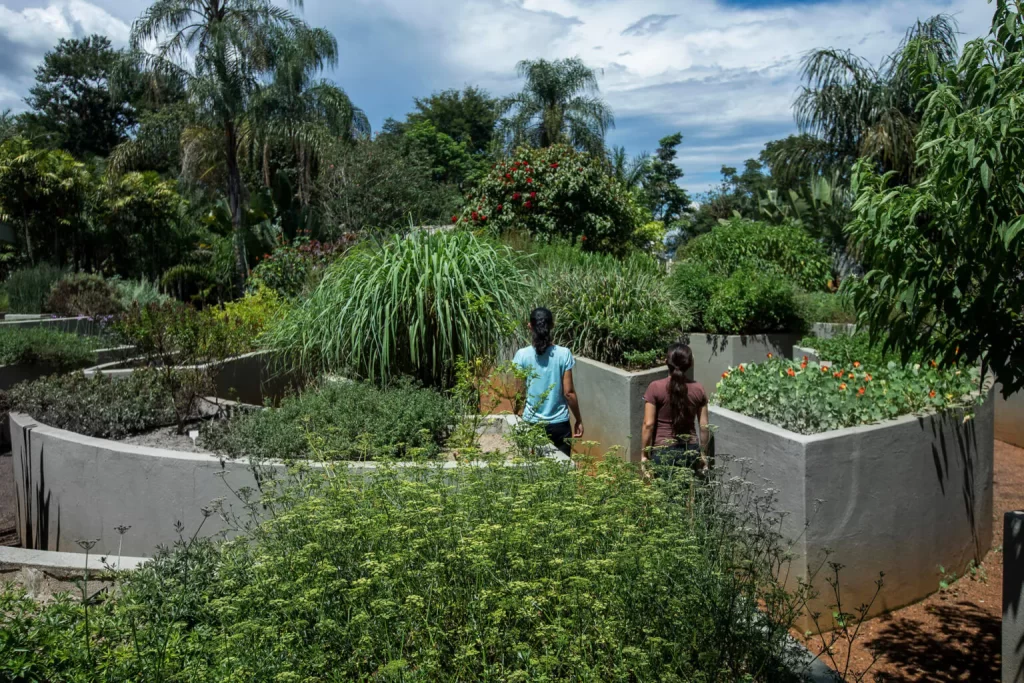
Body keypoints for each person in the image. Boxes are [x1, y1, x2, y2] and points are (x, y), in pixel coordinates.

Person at [512, 307, 583, 456]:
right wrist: (578, 419)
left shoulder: (521, 355)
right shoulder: (564, 354)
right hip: (559, 425)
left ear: (529, 326)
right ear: (552, 325)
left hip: (531, 423)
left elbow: (519, 392)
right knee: (561, 472)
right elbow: (568, 393)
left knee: (533, 473)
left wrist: (516, 415)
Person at [640, 343, 710, 473]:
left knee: (663, 492)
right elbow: (704, 427)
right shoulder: (699, 389)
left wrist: (644, 455)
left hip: (663, 451)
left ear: (666, 362)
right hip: (690, 450)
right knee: (686, 491)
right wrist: (703, 455)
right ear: (690, 364)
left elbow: (648, 424)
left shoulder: (655, 387)